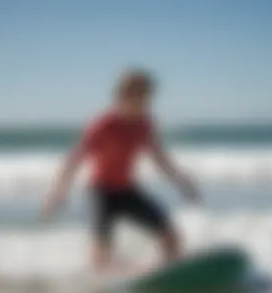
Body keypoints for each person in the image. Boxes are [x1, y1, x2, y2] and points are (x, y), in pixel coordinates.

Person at [41, 68, 199, 273]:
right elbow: (74, 159)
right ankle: (100, 285)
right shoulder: (103, 125)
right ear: (121, 97)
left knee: (171, 237)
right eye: (138, 97)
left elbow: (159, 157)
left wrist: (181, 181)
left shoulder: (145, 124)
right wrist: (57, 192)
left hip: (127, 190)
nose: (144, 103)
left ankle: (170, 275)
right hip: (101, 192)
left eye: (147, 97)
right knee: (101, 248)